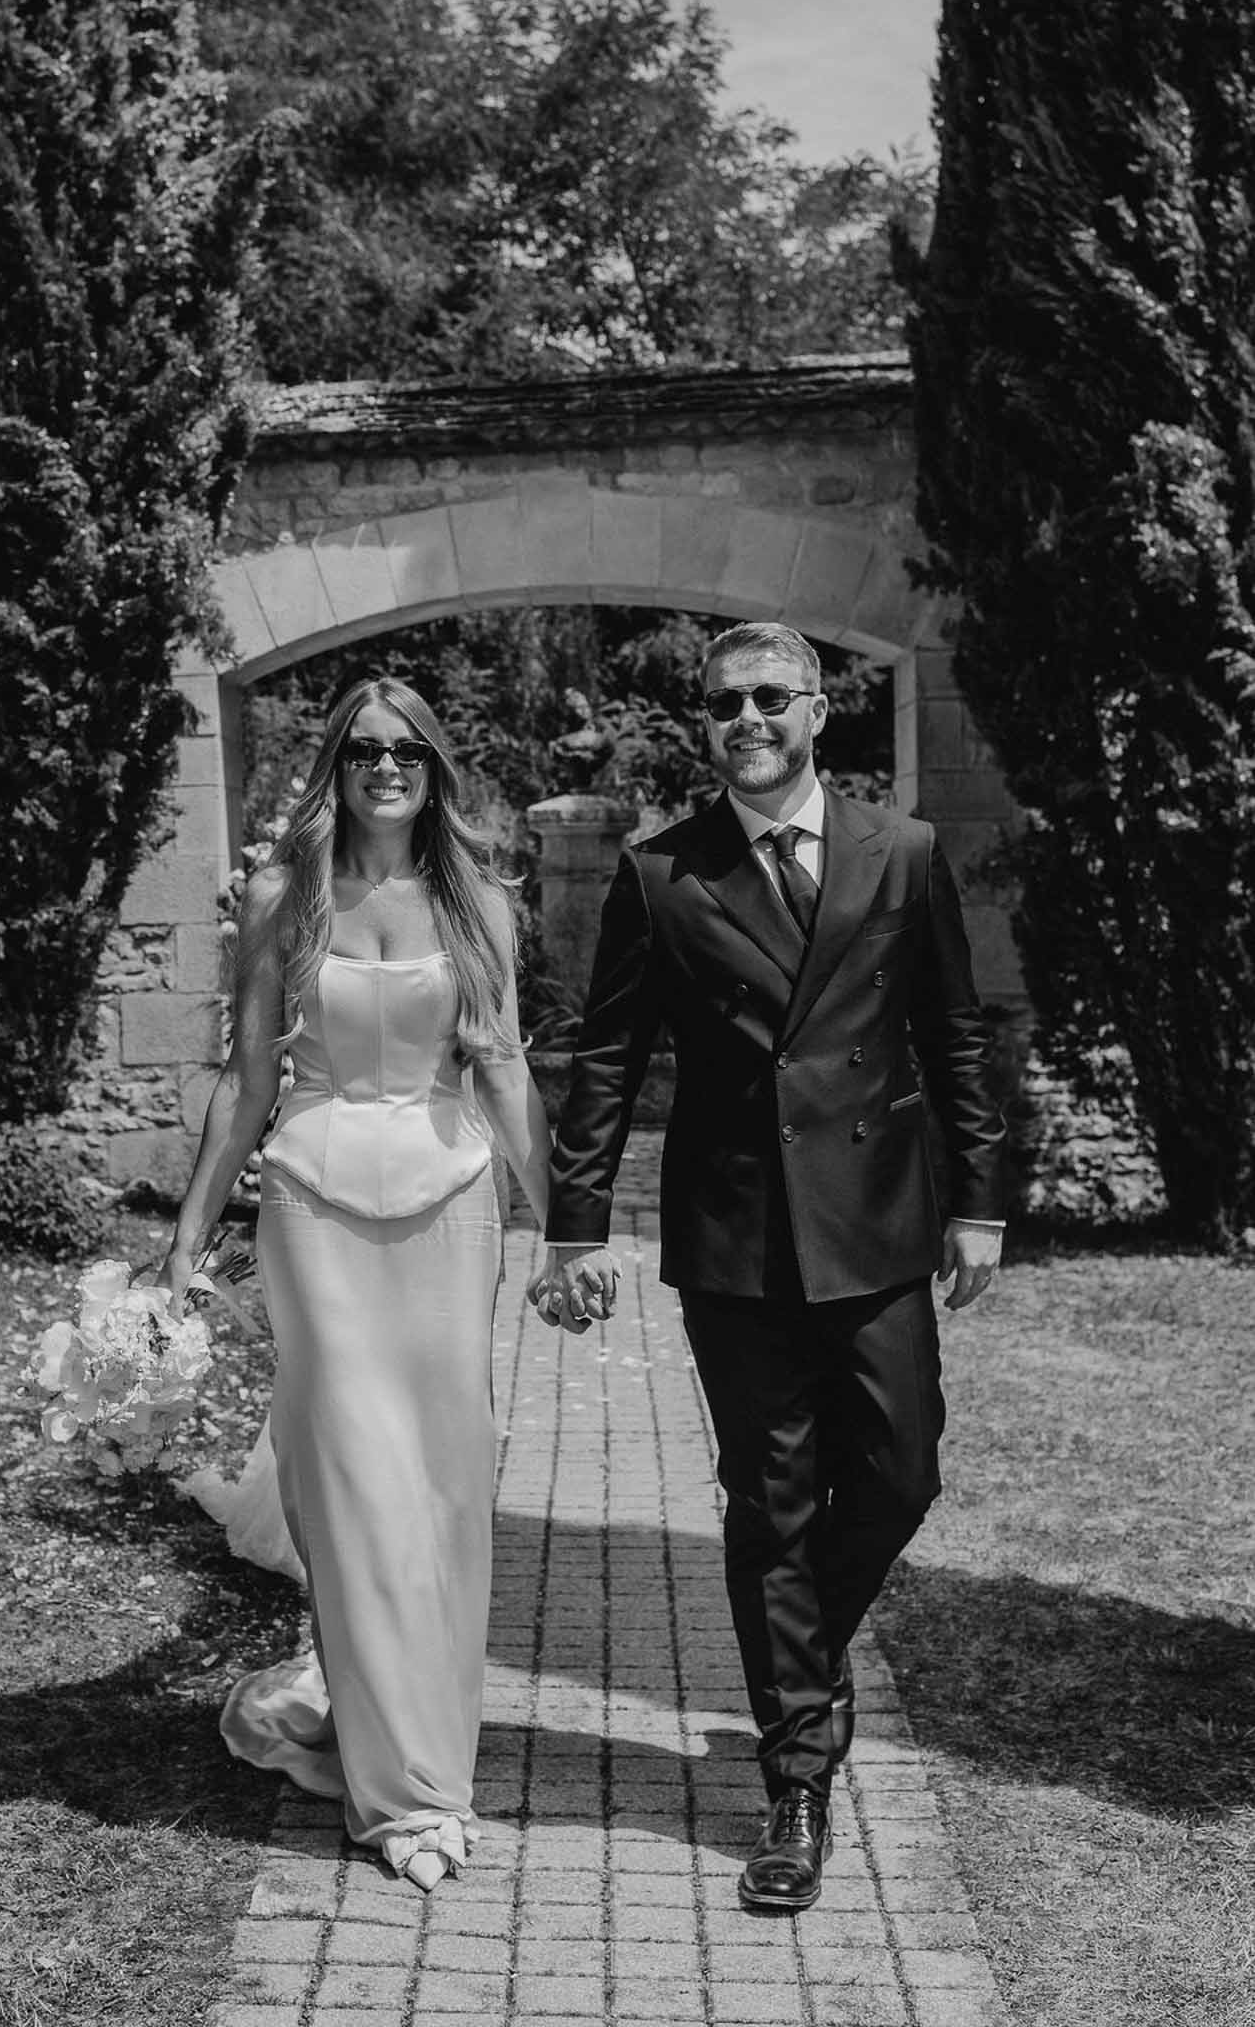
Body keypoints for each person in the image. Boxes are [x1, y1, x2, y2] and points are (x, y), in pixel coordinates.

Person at [529, 622, 1005, 1913]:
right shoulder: (660, 871)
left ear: (815, 714)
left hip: (877, 1224)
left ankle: (799, 1665)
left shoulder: (897, 850)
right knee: (772, 1504)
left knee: (902, 1471)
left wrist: (982, 1205)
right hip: (736, 1234)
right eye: (724, 701)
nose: (746, 717)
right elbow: (607, 1057)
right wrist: (578, 1222)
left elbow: (950, 1032)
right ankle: (797, 1776)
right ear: (707, 722)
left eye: (769, 698)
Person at [158, 676, 552, 1893]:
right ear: (336, 765)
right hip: (313, 1208)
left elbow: (500, 1065)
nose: (387, 768)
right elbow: (244, 1079)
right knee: (353, 1484)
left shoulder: (478, 898)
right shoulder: (283, 897)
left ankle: (425, 1749)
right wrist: (187, 1233)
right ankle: (401, 1799)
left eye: (410, 752)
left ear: (437, 770)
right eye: (366, 750)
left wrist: (562, 1227)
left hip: (449, 1207)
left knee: (441, 1487)